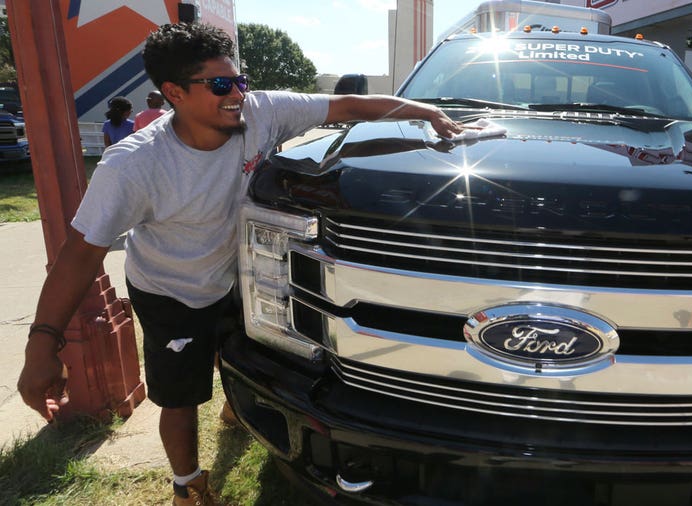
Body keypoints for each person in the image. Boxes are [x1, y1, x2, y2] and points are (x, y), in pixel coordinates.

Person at [17, 22, 462, 506]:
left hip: (239, 277)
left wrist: (427, 111)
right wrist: (43, 344)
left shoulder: (261, 111)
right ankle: (188, 485)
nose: (239, 95)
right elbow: (80, 255)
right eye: (221, 85)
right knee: (181, 397)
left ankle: (237, 407)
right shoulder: (134, 166)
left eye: (241, 80)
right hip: (172, 292)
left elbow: (348, 107)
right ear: (174, 93)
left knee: (242, 353)